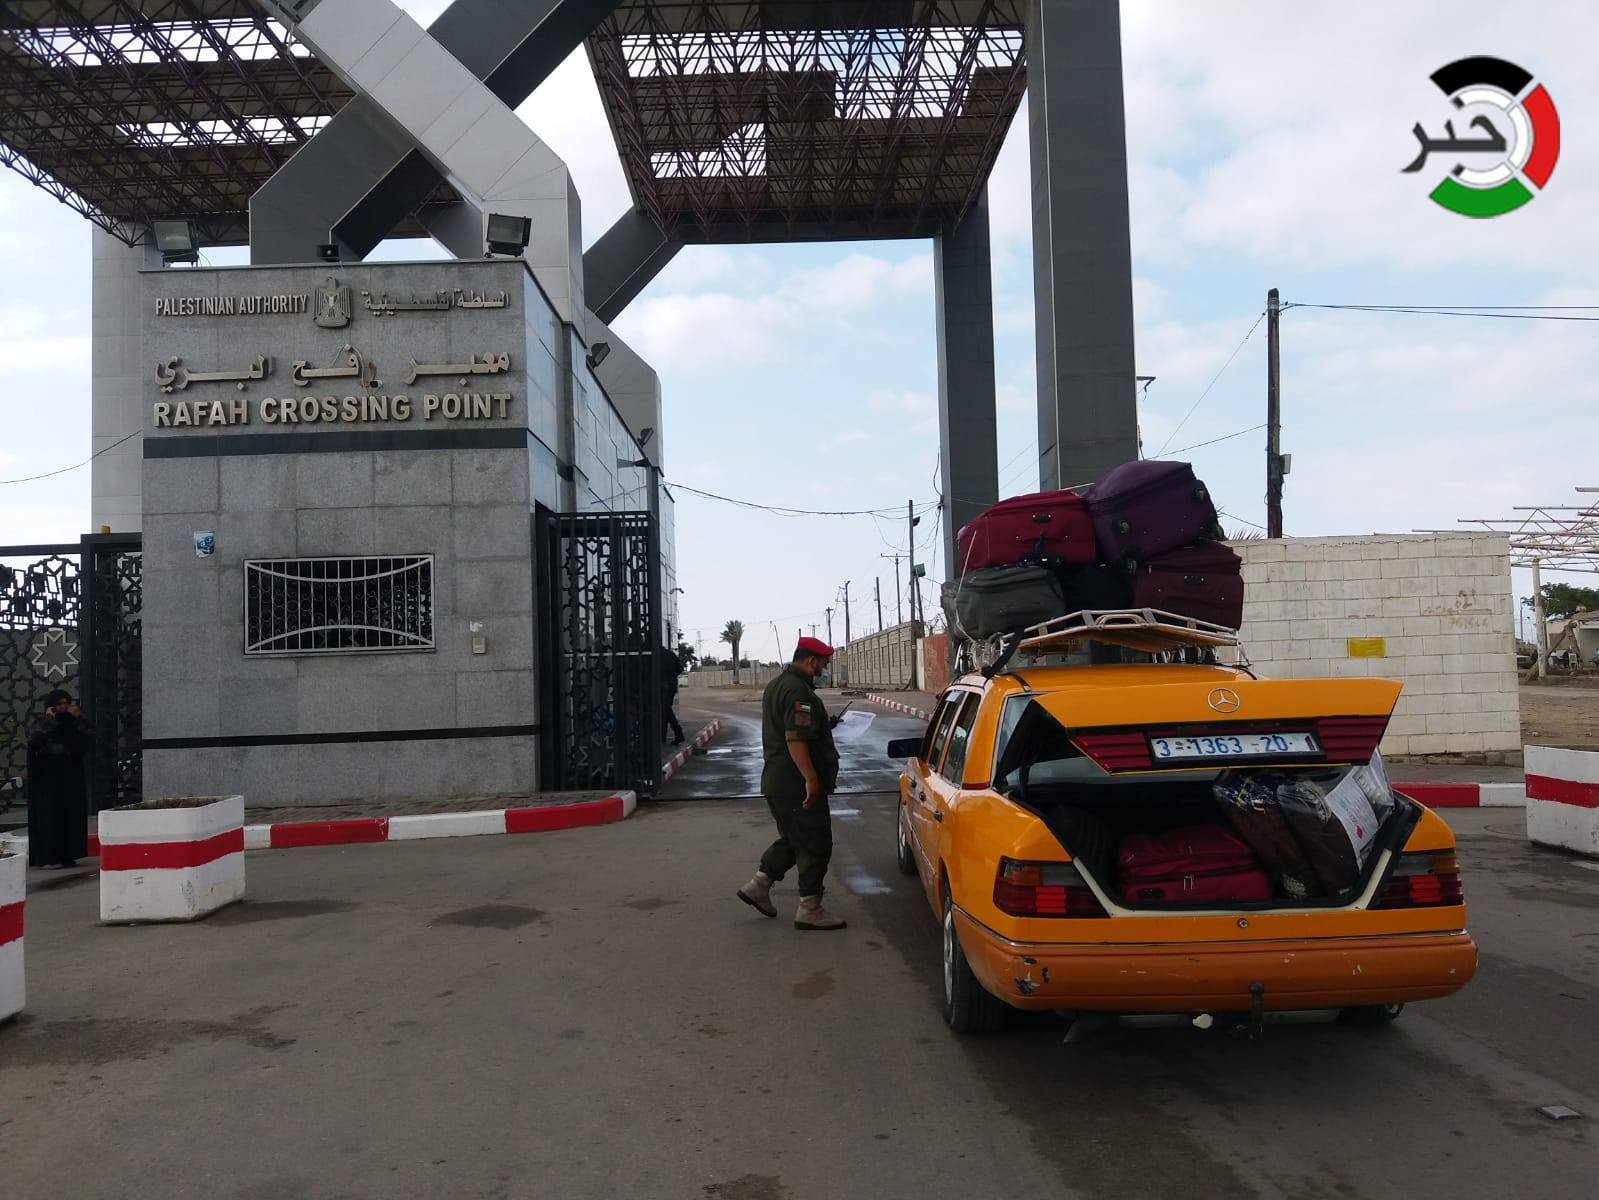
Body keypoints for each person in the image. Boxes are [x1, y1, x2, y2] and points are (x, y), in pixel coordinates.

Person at [738, 637, 847, 931]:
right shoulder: (799, 691)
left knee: (795, 838)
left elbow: (795, 727)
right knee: (816, 844)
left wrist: (824, 726)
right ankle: (810, 908)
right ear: (811, 661)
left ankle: (759, 885)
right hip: (795, 784)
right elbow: (795, 738)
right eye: (823, 664)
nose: (824, 670)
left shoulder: (778, 685)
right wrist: (811, 779)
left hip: (778, 781)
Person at [25, 689, 92, 870]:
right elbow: (33, 739)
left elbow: (91, 734)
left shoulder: (74, 724)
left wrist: (79, 717)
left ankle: (67, 854)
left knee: (69, 815)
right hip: (47, 779)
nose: (63, 707)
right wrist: (49, 719)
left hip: (69, 777)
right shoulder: (42, 723)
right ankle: (48, 857)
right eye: (59, 703)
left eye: (66, 703)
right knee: (49, 816)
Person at [659, 643, 685, 746]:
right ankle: (665, 736)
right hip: (671, 686)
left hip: (662, 687)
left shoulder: (656, 655)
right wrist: (672, 676)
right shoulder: (670, 654)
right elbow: (680, 669)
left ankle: (677, 733)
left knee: (665, 710)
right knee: (665, 710)